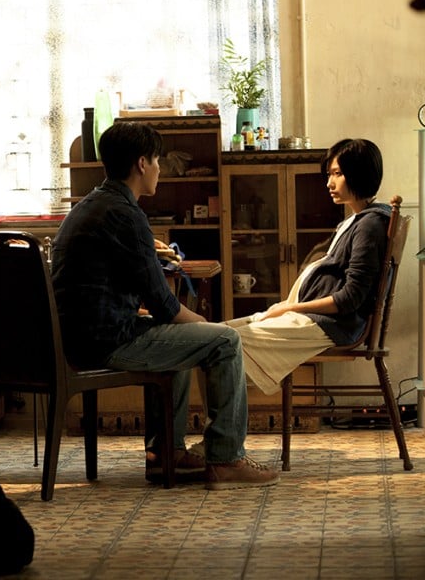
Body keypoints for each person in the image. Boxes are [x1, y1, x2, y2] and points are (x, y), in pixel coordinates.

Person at [50, 121, 278, 490]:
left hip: (79, 338)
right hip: (104, 343)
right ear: (142, 163)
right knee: (222, 341)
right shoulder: (126, 214)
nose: (159, 169)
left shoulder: (93, 204)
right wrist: (210, 327)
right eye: (157, 160)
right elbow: (164, 305)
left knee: (181, 339)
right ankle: (226, 457)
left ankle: (164, 454)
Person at [226, 138, 390, 393]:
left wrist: (291, 307)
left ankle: (223, 429)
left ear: (358, 174)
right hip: (317, 319)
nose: (329, 183)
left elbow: (350, 298)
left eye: (337, 174)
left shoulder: (369, 225)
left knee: (225, 341)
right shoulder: (358, 220)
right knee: (222, 332)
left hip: (333, 325)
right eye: (329, 174)